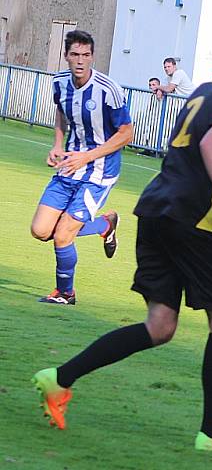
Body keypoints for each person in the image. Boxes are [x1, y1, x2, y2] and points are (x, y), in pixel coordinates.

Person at [32, 26, 212, 456]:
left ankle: (59, 379)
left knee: (160, 326)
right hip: (191, 221)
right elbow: (210, 145)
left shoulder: (206, 89)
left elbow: (189, 159)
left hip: (155, 209)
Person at [30, 30, 133, 305]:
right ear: (66, 56)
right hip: (69, 166)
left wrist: (87, 157)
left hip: (100, 172)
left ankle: (66, 293)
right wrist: (57, 145)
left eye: (86, 55)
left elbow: (126, 133)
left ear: (92, 57)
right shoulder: (60, 83)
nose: (80, 61)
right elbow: (61, 114)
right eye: (75, 54)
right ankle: (105, 224)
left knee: (63, 234)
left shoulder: (108, 90)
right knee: (41, 230)